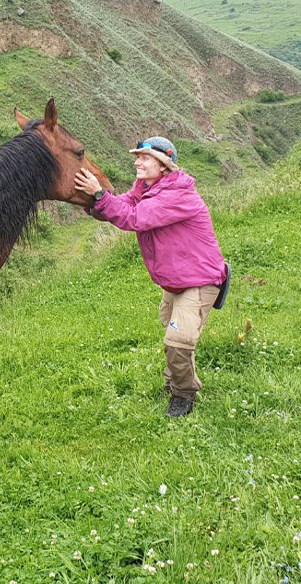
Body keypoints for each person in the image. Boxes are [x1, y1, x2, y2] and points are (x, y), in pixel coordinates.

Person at [74, 136, 227, 417]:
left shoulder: (177, 195)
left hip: (200, 280)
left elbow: (134, 218)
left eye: (144, 158)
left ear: (164, 166)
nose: (137, 162)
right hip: (176, 279)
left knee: (178, 340)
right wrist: (90, 200)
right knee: (175, 331)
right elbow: (121, 206)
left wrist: (99, 195)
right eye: (138, 157)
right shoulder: (146, 188)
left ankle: (184, 395)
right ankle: (174, 382)